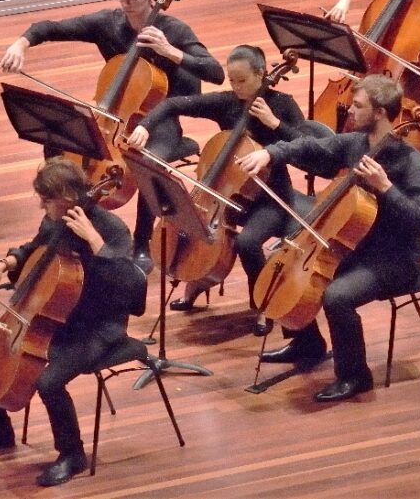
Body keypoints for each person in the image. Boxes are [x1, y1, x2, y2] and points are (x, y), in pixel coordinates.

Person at [0, 0, 224, 268]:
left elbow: (215, 73)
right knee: (59, 142)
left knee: (144, 165)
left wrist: (170, 51)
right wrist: (21, 43)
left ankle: (141, 241)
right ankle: (62, 228)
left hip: (160, 118)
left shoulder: (173, 30)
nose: (126, 4)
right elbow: (50, 28)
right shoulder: (109, 23)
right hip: (113, 113)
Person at [0, 158, 146, 487]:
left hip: (98, 326)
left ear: (68, 195)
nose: (42, 205)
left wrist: (95, 243)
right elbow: (33, 248)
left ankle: (72, 454)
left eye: (47, 199)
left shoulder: (111, 229)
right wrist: (4, 263)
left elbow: (132, 289)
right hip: (53, 318)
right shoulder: (55, 220)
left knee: (48, 381)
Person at [237, 75, 420, 403]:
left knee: (337, 296)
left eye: (358, 106)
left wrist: (386, 187)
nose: (350, 110)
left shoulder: (410, 162)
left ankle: (355, 377)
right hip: (356, 246)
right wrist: (271, 154)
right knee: (289, 273)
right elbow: (310, 146)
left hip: (396, 257)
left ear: (382, 112)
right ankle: (307, 343)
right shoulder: (356, 142)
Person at [127, 45, 308, 335]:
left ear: (262, 74)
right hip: (222, 194)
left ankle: (262, 306)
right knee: (200, 229)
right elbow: (173, 104)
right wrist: (146, 126)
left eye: (242, 80)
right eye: (231, 80)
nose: (235, 87)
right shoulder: (227, 103)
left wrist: (273, 123)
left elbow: (306, 148)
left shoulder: (283, 105)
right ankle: (195, 286)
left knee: (248, 243)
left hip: (268, 199)